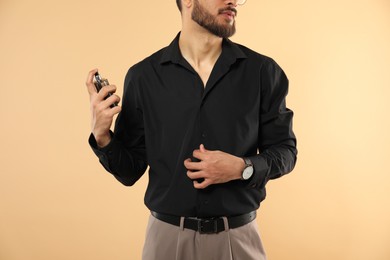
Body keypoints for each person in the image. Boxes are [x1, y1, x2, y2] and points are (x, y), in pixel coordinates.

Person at [86, 0, 297, 259]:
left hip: (238, 240)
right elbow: (130, 171)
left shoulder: (263, 72)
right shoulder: (144, 77)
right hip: (166, 241)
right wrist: (103, 135)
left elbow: (286, 151)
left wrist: (242, 167)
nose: (232, 0)